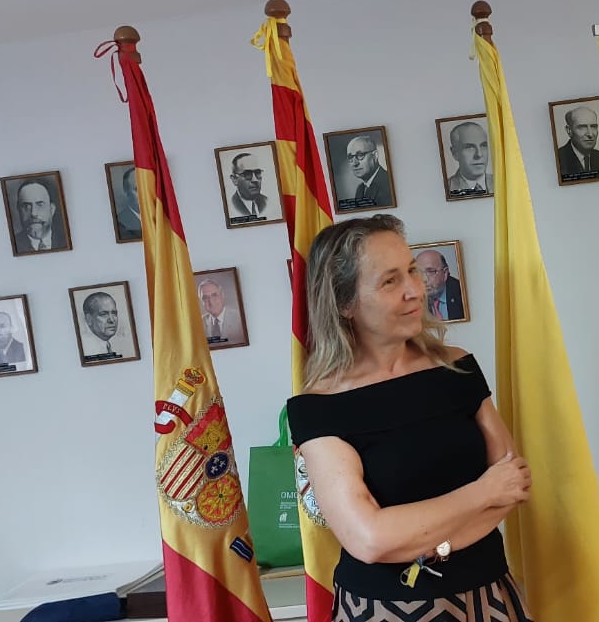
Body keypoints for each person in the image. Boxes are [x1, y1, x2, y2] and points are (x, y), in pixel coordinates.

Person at [286, 214, 532, 622]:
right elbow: (368, 539)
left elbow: (512, 482)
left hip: (489, 595)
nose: (415, 291)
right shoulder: (318, 407)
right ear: (344, 302)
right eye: (390, 281)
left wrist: (426, 538)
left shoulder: (457, 367)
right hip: (383, 609)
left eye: (413, 271)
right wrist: (480, 494)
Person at [555, 106, 599, 182]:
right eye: (582, 127)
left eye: (593, 127)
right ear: (569, 130)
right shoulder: (557, 161)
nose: (590, 134)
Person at [338, 135, 393, 209]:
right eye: (350, 157)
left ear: (375, 155)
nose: (355, 163)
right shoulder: (360, 189)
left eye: (360, 155)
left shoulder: (388, 184)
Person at [13, 178, 67, 253]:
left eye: (40, 205)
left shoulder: (66, 240)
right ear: (18, 210)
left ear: (52, 209)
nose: (33, 213)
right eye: (26, 206)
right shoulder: (12, 244)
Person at [444, 122, 493, 196]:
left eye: (483, 146)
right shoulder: (447, 188)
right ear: (455, 153)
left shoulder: (502, 182)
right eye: (470, 147)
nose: (479, 154)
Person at [415, 249, 465, 321]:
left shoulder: (462, 293)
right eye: (419, 272)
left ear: (445, 273)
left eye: (430, 271)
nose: (424, 279)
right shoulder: (412, 299)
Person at [79, 291, 124, 359]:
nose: (111, 320)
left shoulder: (108, 345)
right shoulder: (86, 350)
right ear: (89, 319)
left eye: (114, 313)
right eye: (104, 314)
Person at [198, 278, 244, 345]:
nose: (211, 302)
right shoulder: (199, 323)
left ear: (222, 295)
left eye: (214, 295)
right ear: (201, 301)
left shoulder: (239, 318)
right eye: (205, 298)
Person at [227, 152, 272, 221]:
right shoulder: (230, 207)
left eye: (257, 173)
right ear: (234, 179)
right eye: (247, 174)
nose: (255, 180)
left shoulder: (266, 202)